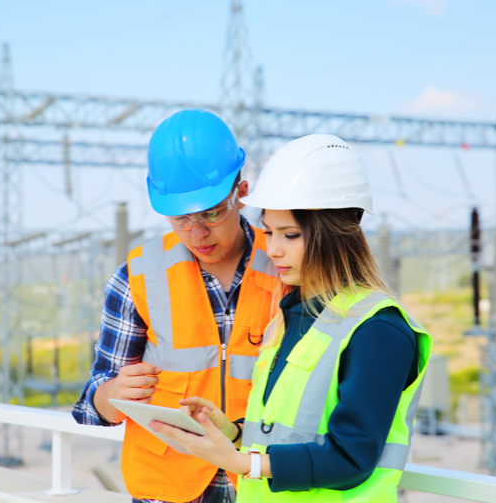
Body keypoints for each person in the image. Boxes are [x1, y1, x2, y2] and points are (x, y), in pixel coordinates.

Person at [151, 134, 434, 502]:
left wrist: (243, 463)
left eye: (290, 235)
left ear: (334, 234)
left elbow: (352, 457)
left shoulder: (378, 329)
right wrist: (233, 431)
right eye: (269, 232)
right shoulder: (291, 315)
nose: (273, 249)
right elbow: (286, 431)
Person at [73, 109, 277, 503]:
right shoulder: (137, 277)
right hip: (168, 489)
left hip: (261, 480)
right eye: (179, 219)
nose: (197, 232)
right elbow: (91, 403)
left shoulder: (286, 266)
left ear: (242, 191)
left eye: (211, 213)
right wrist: (112, 392)